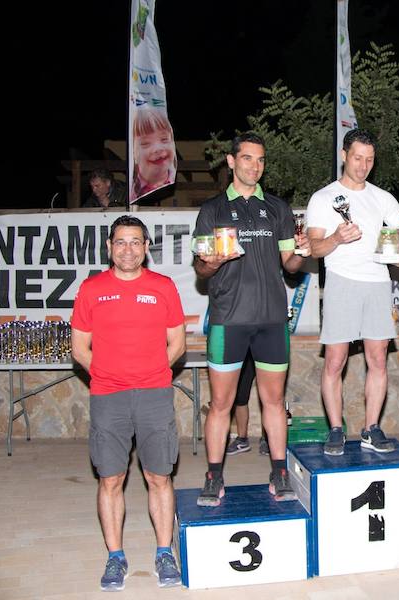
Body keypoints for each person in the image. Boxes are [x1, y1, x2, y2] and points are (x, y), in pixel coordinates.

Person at [192, 132, 308, 507]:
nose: (254, 167)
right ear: (231, 162)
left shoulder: (277, 208)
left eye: (260, 160)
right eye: (247, 159)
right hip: (228, 319)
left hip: (272, 319)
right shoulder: (212, 210)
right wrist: (210, 263)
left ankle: (279, 472)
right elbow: (201, 268)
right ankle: (213, 476)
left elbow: (290, 264)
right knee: (221, 404)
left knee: (273, 402)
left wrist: (302, 253)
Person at [70, 215, 186, 591]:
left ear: (146, 248)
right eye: (121, 242)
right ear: (109, 247)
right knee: (111, 478)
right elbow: (79, 348)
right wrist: (107, 375)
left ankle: (164, 552)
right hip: (108, 396)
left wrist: (149, 372)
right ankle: (115, 557)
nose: (128, 249)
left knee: (159, 476)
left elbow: (177, 344)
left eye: (136, 242)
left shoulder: (164, 287)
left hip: (154, 394)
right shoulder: (91, 289)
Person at [306, 129, 399, 456]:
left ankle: (371, 428)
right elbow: (314, 248)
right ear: (344, 155)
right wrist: (337, 238)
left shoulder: (383, 198)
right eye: (357, 158)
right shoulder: (323, 198)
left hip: (378, 283)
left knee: (378, 358)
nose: (363, 165)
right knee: (335, 361)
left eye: (369, 160)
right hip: (341, 280)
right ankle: (336, 429)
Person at [224, 361, 270, 457]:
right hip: (243, 352)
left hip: (265, 350)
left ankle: (267, 439)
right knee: (240, 396)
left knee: (268, 398)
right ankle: (242, 440)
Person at [131, 108, 177, 202]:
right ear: (134, 152)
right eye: (145, 143)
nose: (157, 148)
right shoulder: (131, 192)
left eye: (164, 139)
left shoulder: (172, 180)